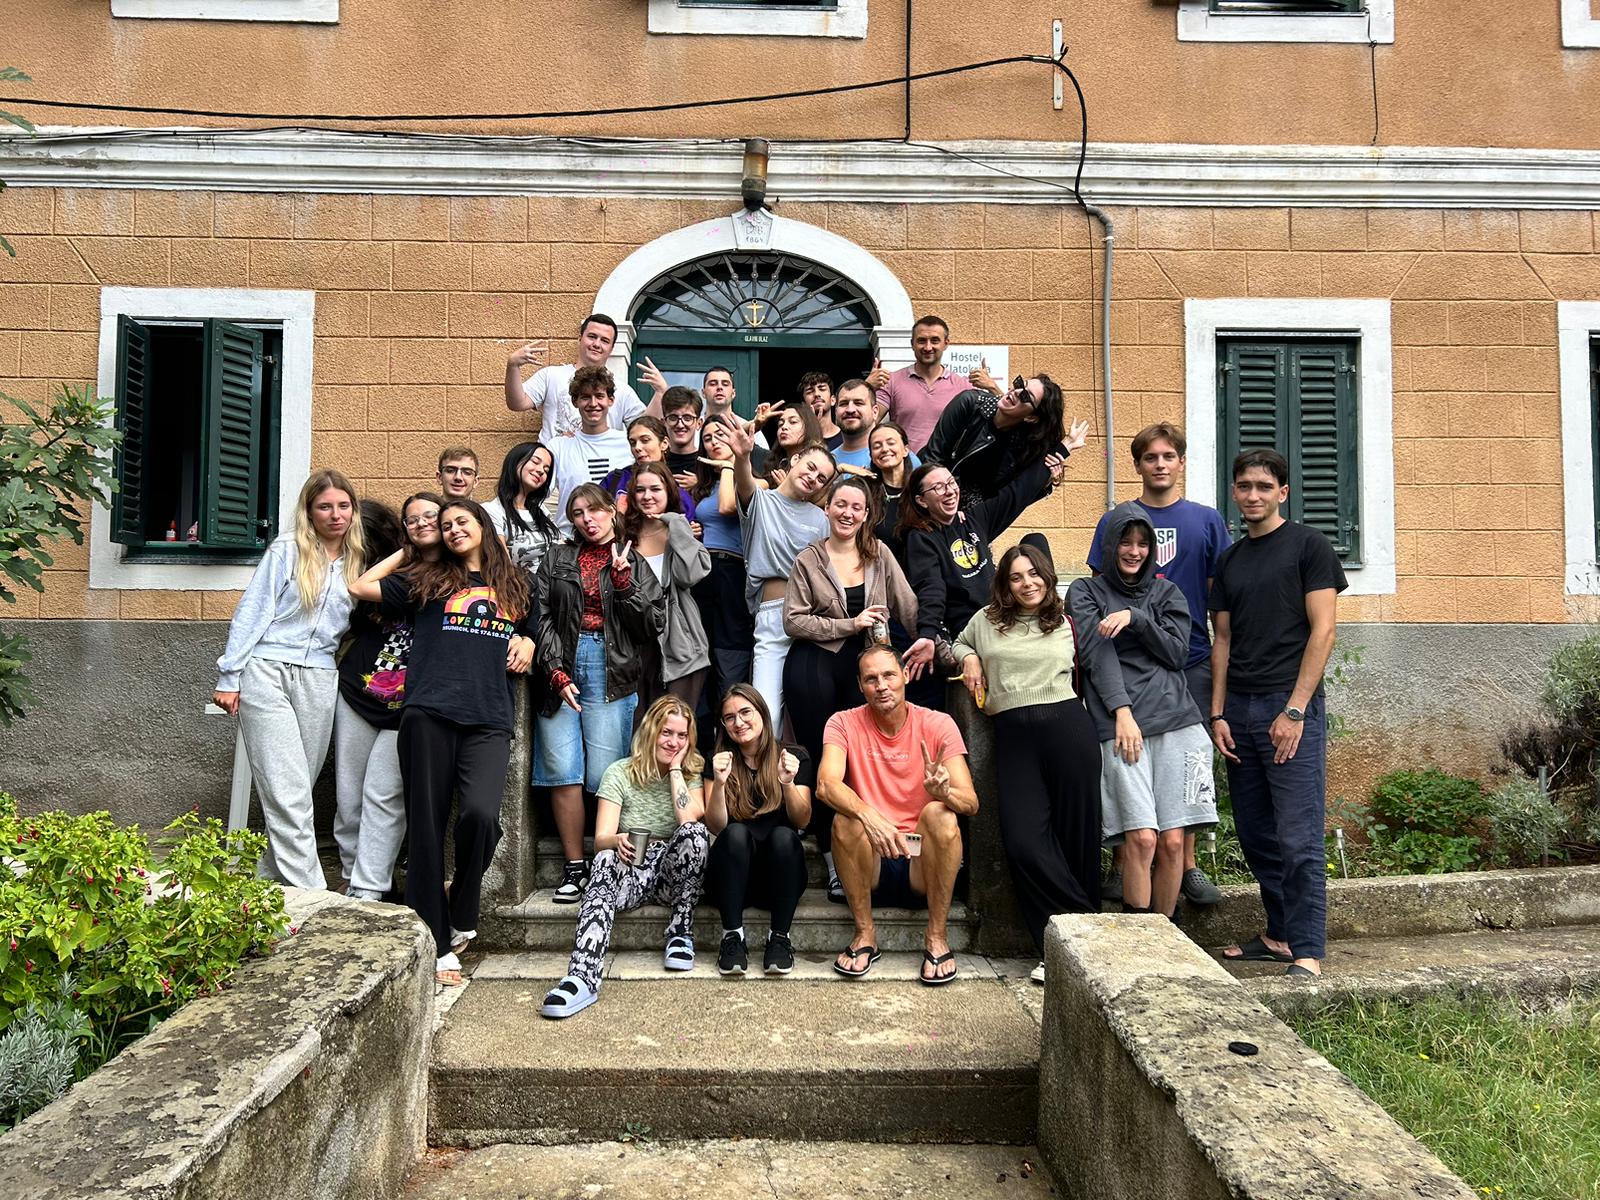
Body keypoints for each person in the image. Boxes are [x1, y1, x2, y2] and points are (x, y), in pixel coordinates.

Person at [349, 497, 536, 985]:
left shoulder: (516, 584)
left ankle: (462, 906)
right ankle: (436, 941)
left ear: (483, 526)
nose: (452, 530)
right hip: (428, 712)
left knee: (481, 816)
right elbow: (360, 586)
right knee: (426, 829)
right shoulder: (427, 579)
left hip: (488, 718)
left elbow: (534, 630)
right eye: (444, 524)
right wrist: (411, 547)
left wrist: (528, 640)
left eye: (461, 522)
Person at [1210, 449, 1345, 980]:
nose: (1253, 495)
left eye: (1264, 486)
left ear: (1282, 492)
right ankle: (1280, 935)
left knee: (1298, 836)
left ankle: (1307, 952)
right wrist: (1217, 713)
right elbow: (1222, 640)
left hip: (1288, 707)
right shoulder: (1230, 560)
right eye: (1245, 486)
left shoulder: (1310, 546)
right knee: (1256, 834)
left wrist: (1295, 709)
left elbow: (1324, 631)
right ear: (1235, 492)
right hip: (1239, 710)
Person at [1086, 422, 1233, 907]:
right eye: (1151, 457)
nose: (1161, 464)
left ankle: (1184, 873)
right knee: (1137, 814)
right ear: (1138, 464)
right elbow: (1098, 619)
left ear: (1182, 462)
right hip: (1123, 678)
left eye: (1169, 456)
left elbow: (1214, 602)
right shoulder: (1112, 528)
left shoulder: (1204, 522)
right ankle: (1124, 870)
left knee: (1175, 804)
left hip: (1186, 665)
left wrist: (1215, 646)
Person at [954, 544, 1100, 985]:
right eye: (1016, 577)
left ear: (1048, 576)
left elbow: (1101, 669)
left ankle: (1066, 952)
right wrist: (970, 657)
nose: (1027, 583)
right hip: (1014, 738)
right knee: (1023, 842)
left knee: (1077, 838)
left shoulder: (1067, 621)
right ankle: (1078, 931)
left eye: (1034, 574)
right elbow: (957, 643)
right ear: (1005, 583)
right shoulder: (986, 621)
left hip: (1069, 730)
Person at [213, 469, 365, 890]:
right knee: (287, 792)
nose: (335, 515)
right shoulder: (287, 550)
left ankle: (265, 887)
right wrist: (230, 675)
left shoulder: (358, 560)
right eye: (325, 507)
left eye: (343, 506)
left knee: (296, 789)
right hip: (267, 669)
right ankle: (315, 895)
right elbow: (252, 610)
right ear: (309, 511)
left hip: (320, 675)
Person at [1069, 504, 1218, 922]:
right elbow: (1097, 655)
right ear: (1109, 545)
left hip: (1178, 720)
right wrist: (1122, 712)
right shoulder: (1085, 592)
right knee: (1142, 839)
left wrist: (1136, 618)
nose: (1133, 551)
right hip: (1121, 725)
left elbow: (1176, 654)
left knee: (1172, 842)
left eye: (1142, 543)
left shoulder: (1167, 593)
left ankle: (1165, 936)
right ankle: (1137, 937)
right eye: (1125, 542)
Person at [784, 475, 918, 903]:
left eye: (856, 507)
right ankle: (832, 863)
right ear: (827, 508)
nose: (847, 513)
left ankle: (867, 853)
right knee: (825, 761)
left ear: (867, 515)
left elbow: (908, 606)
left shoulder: (880, 554)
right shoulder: (809, 559)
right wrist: (850, 624)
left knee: (861, 760)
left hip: (864, 668)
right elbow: (793, 620)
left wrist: (935, 643)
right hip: (813, 666)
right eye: (840, 504)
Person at [534, 484, 667, 904]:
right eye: (577, 513)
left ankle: (605, 861)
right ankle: (574, 866)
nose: (587, 519)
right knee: (562, 768)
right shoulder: (557, 558)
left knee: (605, 774)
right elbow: (540, 615)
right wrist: (554, 670)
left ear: (612, 511)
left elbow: (651, 625)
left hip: (612, 669)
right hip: (562, 661)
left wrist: (624, 584)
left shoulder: (632, 560)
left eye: (594, 510)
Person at [540, 696, 708, 1018]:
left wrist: (675, 770)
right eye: (666, 732)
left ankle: (680, 932)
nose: (673, 742)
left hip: (672, 877)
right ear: (651, 731)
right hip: (633, 870)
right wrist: (616, 840)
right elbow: (600, 839)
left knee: (696, 834)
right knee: (604, 859)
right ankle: (582, 975)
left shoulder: (692, 773)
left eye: (681, 735)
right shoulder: (619, 773)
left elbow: (688, 820)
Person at [819, 646, 976, 985]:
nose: (881, 686)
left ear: (905, 676)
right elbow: (826, 785)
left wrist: (944, 793)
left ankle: (937, 937)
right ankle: (865, 934)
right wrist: (870, 816)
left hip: (922, 864)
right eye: (871, 679)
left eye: (889, 675)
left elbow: (971, 803)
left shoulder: (938, 724)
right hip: (871, 863)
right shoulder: (842, 723)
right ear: (860, 685)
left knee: (941, 814)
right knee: (846, 818)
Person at [332, 494, 443, 902]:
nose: (422, 523)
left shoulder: (457, 577)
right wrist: (407, 550)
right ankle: (351, 875)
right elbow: (358, 587)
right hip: (358, 692)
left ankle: (369, 889)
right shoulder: (401, 572)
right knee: (348, 798)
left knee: (384, 795)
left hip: (409, 706)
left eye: (431, 517)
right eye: (412, 520)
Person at [896, 456, 1061, 686]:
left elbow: (1014, 495)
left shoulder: (972, 519)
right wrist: (927, 634)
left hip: (1003, 611)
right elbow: (931, 588)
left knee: (1035, 541)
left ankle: (1051, 615)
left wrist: (1061, 451)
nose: (950, 491)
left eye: (951, 482)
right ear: (922, 501)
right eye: (938, 487)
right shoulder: (921, 539)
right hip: (973, 625)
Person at [729, 419, 836, 736]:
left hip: (812, 618)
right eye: (811, 467)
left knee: (810, 712)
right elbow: (744, 483)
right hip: (773, 617)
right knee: (767, 714)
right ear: (795, 459)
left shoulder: (821, 519)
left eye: (822, 478)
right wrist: (742, 456)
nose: (813, 478)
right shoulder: (761, 501)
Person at [704, 685, 813, 976]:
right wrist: (719, 783)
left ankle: (779, 938)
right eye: (729, 717)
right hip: (731, 881)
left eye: (745, 712)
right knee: (735, 833)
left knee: (784, 836)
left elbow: (802, 820)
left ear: (762, 713)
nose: (738, 722)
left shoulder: (793, 756)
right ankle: (732, 937)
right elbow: (715, 825)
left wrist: (787, 782)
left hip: (778, 882)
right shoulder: (718, 760)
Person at [624, 461, 711, 710]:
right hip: (637, 645)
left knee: (677, 724)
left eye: (655, 489)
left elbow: (690, 576)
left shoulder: (681, 529)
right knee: (641, 727)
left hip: (681, 645)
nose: (647, 496)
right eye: (640, 490)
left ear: (669, 492)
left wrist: (676, 524)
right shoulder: (623, 535)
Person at [921, 374, 1085, 502]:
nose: (1016, 392)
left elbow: (1010, 499)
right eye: (1020, 384)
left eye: (1026, 396)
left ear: (1031, 417)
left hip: (973, 514)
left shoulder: (1022, 446)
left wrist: (1047, 479)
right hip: (933, 491)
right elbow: (933, 457)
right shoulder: (970, 403)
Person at [503, 315, 648, 441]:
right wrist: (513, 366)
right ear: (580, 338)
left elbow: (645, 428)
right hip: (553, 461)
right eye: (592, 337)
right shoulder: (551, 375)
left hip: (600, 462)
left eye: (604, 340)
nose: (596, 344)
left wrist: (659, 393)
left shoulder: (622, 390)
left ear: (611, 348)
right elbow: (517, 404)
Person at [692, 414, 756, 701]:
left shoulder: (752, 479)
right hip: (704, 570)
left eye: (720, 435)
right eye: (707, 439)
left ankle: (732, 710)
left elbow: (728, 507)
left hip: (733, 569)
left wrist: (730, 465)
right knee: (702, 647)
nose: (714, 442)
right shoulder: (705, 487)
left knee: (731, 650)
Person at [867, 315, 995, 451]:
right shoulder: (892, 381)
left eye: (935, 341)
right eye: (922, 341)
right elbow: (867, 423)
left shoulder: (963, 387)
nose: (928, 347)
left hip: (945, 464)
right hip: (905, 462)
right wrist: (867, 386)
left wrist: (992, 387)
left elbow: (997, 422)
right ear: (912, 344)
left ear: (946, 344)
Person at [547, 366, 635, 537]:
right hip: (570, 541)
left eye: (599, 396)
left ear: (611, 400)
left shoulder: (628, 443)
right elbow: (535, 496)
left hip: (619, 540)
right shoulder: (558, 446)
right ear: (575, 402)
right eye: (585, 397)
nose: (593, 404)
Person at [481, 442, 560, 580]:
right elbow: (502, 564)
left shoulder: (541, 510)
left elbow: (561, 546)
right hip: (520, 588)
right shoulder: (492, 510)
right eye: (535, 461)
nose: (541, 470)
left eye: (546, 470)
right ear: (515, 461)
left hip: (553, 587)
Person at [602, 414, 697, 519]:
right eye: (633, 443)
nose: (637, 447)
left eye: (645, 440)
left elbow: (688, 521)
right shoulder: (615, 479)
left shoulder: (676, 487)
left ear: (664, 443)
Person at [830, 378, 905, 471]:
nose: (850, 410)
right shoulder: (827, 462)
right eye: (844, 404)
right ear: (836, 412)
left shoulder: (897, 456)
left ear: (875, 412)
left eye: (858, 403)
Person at [868, 420, 917, 558]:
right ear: (871, 456)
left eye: (891, 443)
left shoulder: (920, 488)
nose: (884, 449)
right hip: (878, 567)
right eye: (877, 446)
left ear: (906, 450)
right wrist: (840, 469)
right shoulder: (865, 491)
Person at [756, 398, 826, 484]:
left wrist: (785, 488)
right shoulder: (772, 463)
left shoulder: (821, 464)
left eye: (793, 422)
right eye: (780, 424)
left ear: (809, 427)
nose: (784, 427)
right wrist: (755, 425)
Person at [659, 386, 703, 492]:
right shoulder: (656, 461)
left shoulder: (708, 464)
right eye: (673, 418)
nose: (680, 425)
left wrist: (702, 484)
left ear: (699, 423)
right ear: (663, 423)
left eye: (687, 418)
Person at [799, 371, 843, 449]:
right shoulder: (798, 440)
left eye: (822, 389)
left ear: (833, 400)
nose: (816, 394)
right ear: (804, 404)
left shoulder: (847, 437)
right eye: (810, 391)